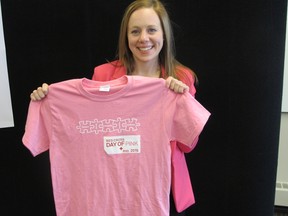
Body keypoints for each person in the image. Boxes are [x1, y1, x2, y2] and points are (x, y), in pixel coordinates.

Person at [30, 0, 201, 215]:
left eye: (151, 30)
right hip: (115, 191)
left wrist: (182, 101)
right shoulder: (103, 75)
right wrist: (46, 99)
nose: (143, 38)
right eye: (135, 31)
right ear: (126, 37)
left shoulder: (181, 78)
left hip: (162, 190)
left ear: (164, 34)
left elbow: (188, 144)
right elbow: (88, 132)